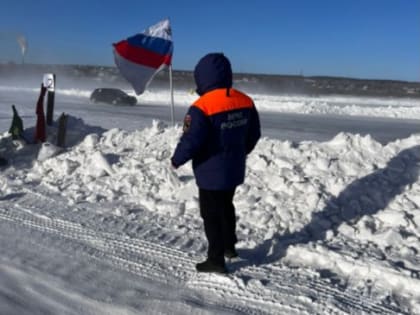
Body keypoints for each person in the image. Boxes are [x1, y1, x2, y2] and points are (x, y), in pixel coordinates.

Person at [171, 53, 261, 273]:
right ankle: (229, 247)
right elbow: (254, 134)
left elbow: (191, 140)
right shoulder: (245, 100)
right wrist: (240, 152)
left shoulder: (202, 107)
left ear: (202, 77)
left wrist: (176, 160)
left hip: (210, 173)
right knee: (226, 207)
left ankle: (215, 259)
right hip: (234, 169)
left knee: (211, 214)